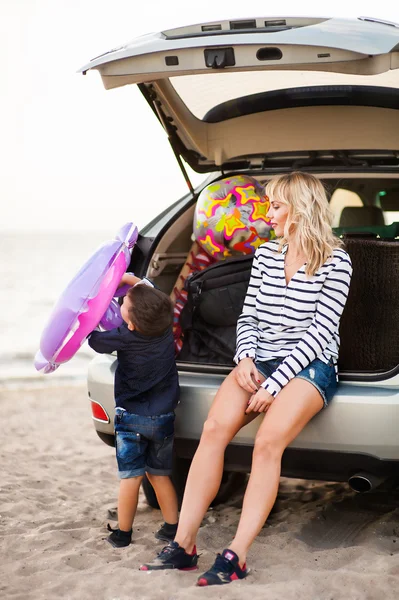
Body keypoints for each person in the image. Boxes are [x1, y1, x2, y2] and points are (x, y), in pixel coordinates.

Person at [139, 171, 353, 585]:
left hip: (311, 366)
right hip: (261, 360)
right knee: (213, 429)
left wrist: (275, 385)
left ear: (299, 209)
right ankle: (184, 545)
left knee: (267, 443)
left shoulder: (337, 260)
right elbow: (248, 315)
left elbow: (321, 331)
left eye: (274, 205)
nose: (266, 214)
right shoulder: (267, 255)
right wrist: (245, 359)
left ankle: (236, 556)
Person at [88, 274, 180, 548]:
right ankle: (172, 527)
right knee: (159, 475)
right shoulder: (165, 329)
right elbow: (155, 300)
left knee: (131, 477)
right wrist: (132, 279)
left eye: (123, 302)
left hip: (130, 420)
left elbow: (93, 339)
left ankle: (123, 534)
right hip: (163, 418)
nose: (121, 299)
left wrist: (94, 311)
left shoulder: (123, 336)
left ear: (129, 321)